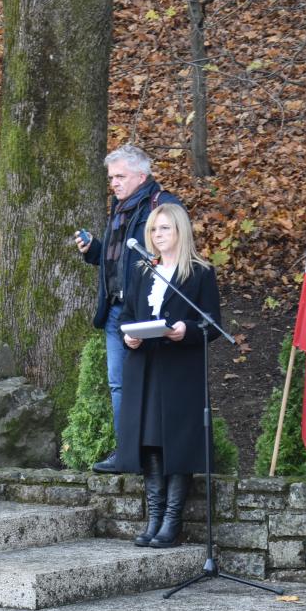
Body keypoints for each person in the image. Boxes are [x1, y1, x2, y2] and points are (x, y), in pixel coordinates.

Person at [116, 204, 221, 549]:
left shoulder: (200, 273)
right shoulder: (143, 271)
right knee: (150, 442)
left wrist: (186, 330)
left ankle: (171, 522)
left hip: (179, 371)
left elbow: (211, 324)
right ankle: (154, 518)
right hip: (145, 367)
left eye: (164, 228)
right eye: (154, 229)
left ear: (180, 231)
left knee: (176, 441)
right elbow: (127, 315)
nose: (158, 235)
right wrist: (128, 337)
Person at [77, 143, 179, 473]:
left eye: (120, 176)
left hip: (150, 311)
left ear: (141, 176)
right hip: (116, 312)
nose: (114, 183)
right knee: (119, 384)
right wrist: (94, 250)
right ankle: (127, 455)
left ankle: (159, 455)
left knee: (154, 384)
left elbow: (174, 257)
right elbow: (119, 261)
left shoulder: (163, 207)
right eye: (111, 178)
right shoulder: (120, 210)